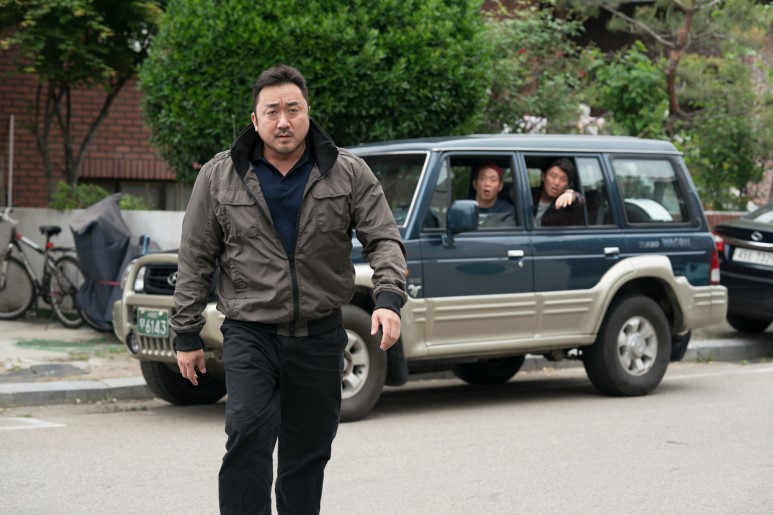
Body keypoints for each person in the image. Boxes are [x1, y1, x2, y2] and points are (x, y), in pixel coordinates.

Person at [170, 64, 408, 514]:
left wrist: (389, 298)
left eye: (293, 109)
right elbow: (195, 255)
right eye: (272, 111)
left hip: (320, 335)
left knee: (308, 452)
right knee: (247, 435)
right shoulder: (219, 176)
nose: (283, 121)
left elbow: (383, 237)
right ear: (255, 119)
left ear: (308, 112)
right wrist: (186, 331)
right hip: (250, 333)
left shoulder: (347, 172)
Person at [532, 158, 585, 226]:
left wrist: (572, 195)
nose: (557, 183)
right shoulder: (529, 195)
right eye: (553, 176)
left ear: (568, 185)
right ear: (543, 176)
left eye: (563, 179)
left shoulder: (565, 204)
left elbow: (580, 200)